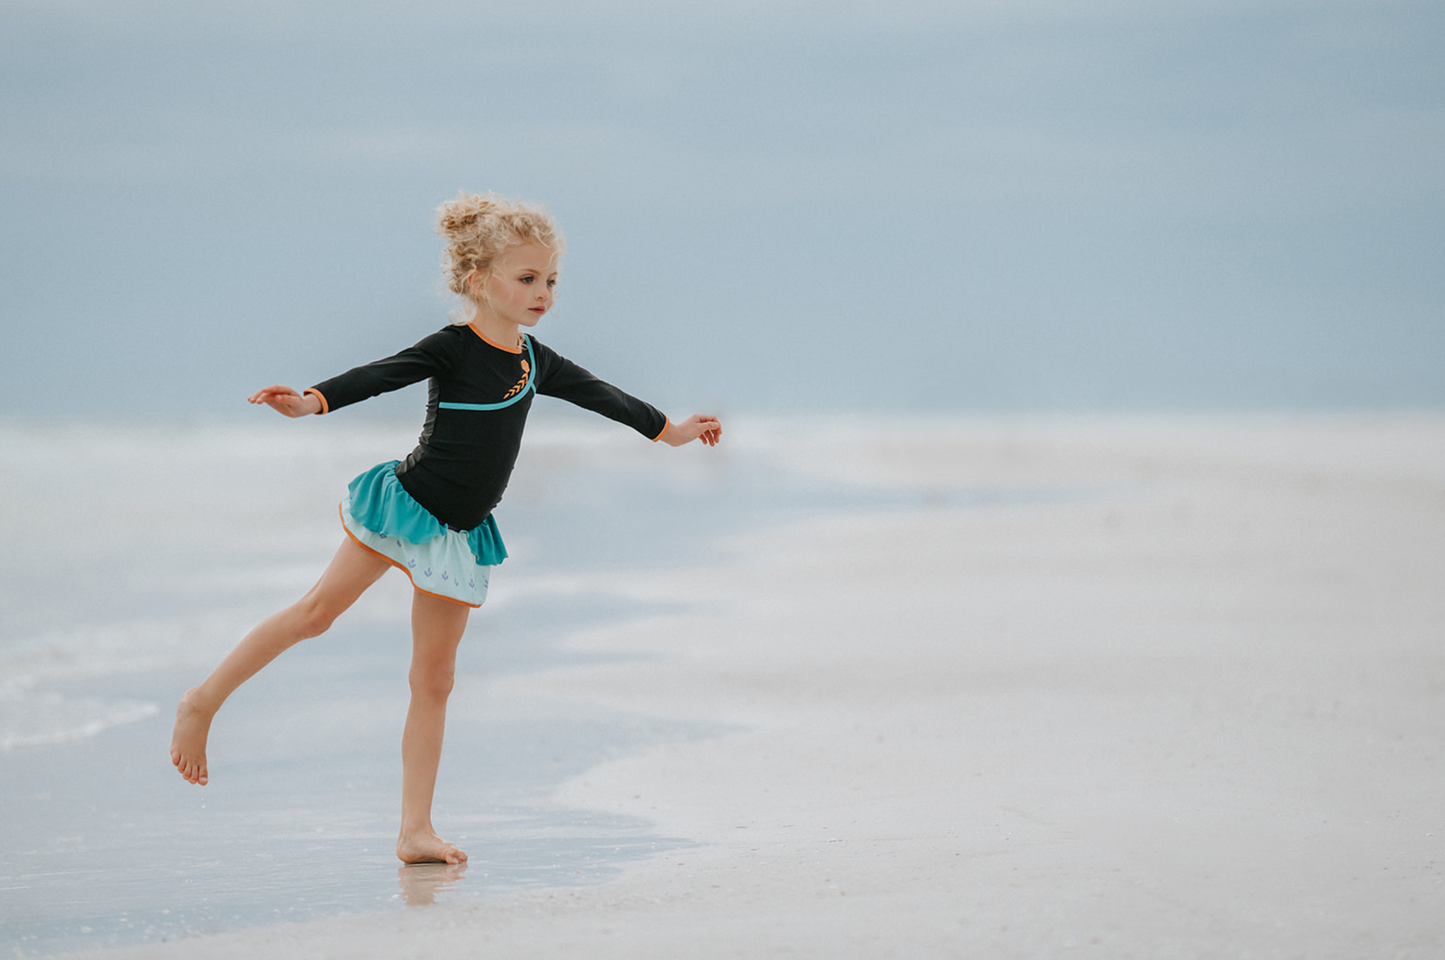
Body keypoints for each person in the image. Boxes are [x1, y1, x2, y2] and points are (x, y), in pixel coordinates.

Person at [169, 192, 722, 865]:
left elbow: (603, 395)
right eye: (526, 279)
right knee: (316, 614)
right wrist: (312, 401)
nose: (542, 292)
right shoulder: (453, 348)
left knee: (433, 678)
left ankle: (414, 831)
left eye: (550, 280)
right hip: (405, 506)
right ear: (475, 282)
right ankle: (202, 701)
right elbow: (380, 374)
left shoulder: (533, 361)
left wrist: (669, 431)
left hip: (459, 534)